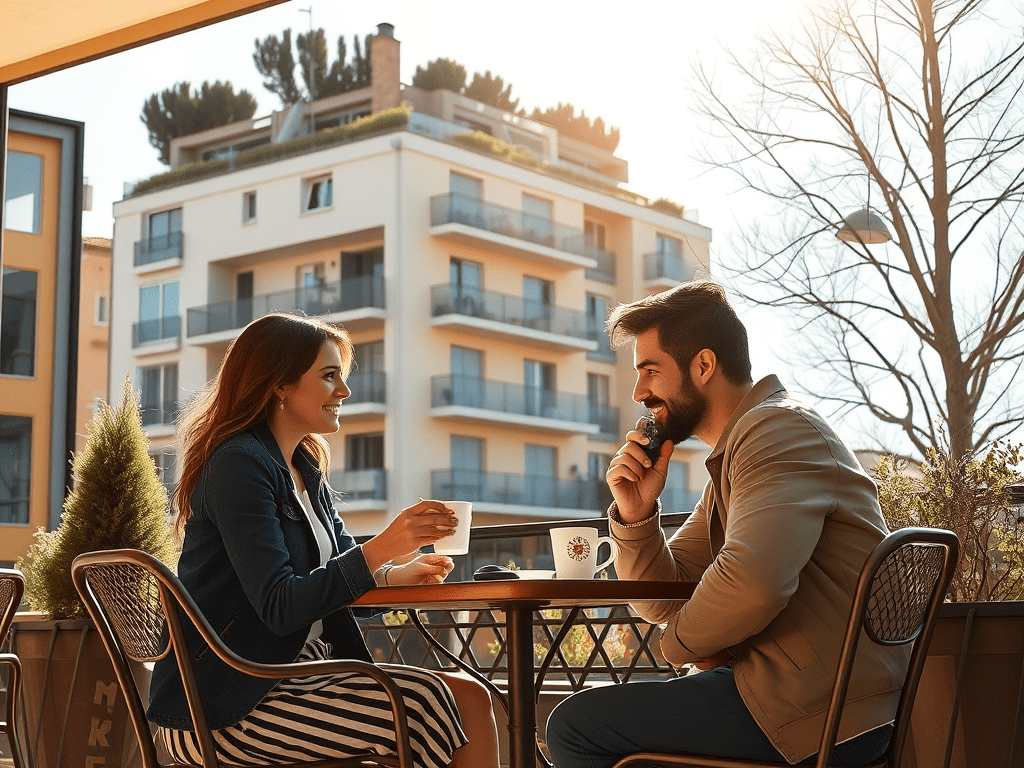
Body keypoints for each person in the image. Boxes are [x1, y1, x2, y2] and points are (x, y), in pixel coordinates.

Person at [545, 281, 909, 767]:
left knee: (576, 727)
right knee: (593, 722)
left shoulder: (778, 432)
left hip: (823, 713)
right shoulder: (741, 452)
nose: (639, 392)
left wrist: (678, 649)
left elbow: (753, 584)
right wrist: (636, 514)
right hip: (796, 695)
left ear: (703, 365)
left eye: (650, 371)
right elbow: (660, 597)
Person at [147, 313, 499, 768]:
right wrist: (382, 549)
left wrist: (391, 576)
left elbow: (330, 584)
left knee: (470, 695)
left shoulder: (305, 468)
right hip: (227, 701)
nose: (345, 392)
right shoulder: (239, 464)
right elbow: (281, 605)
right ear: (279, 385)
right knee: (424, 701)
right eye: (329, 376)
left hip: (302, 674)